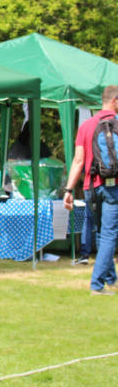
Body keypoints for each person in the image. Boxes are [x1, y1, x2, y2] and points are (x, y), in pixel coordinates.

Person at [63, 85, 118, 295]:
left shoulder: (86, 126)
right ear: (114, 101)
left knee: (103, 233)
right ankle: (97, 284)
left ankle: (112, 279)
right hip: (113, 187)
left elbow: (78, 161)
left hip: (90, 188)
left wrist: (68, 189)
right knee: (109, 235)